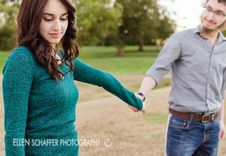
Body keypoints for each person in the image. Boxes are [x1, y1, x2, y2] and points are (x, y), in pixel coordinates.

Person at [2, 0, 145, 155]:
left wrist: (134, 100)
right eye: (48, 19)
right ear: (31, 19)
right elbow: (14, 133)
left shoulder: (64, 59)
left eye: (63, 18)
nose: (58, 26)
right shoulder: (22, 61)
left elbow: (103, 79)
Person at [131, 0, 226, 155]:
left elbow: (221, 89)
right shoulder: (180, 39)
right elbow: (157, 69)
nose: (210, 16)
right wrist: (140, 94)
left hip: (212, 126)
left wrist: (220, 121)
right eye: (209, 9)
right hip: (183, 126)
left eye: (219, 13)